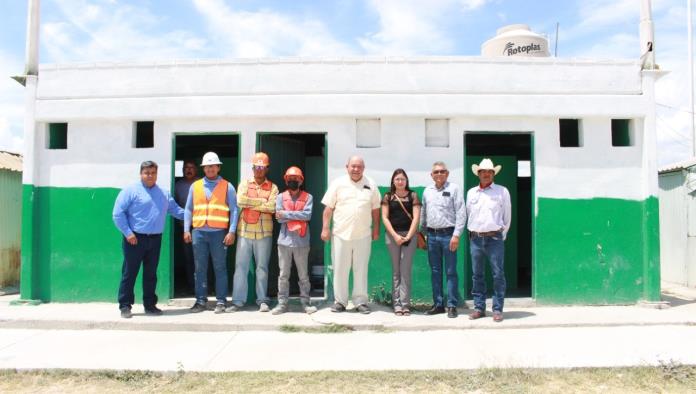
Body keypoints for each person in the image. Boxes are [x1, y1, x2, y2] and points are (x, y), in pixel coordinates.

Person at [113, 161, 184, 319]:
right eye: (147, 173)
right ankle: (125, 305)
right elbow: (117, 213)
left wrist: (195, 216)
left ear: (157, 174)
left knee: (151, 274)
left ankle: (150, 305)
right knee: (129, 272)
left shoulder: (163, 193)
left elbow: (176, 211)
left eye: (153, 172)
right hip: (134, 239)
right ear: (141, 174)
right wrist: (128, 233)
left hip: (155, 239)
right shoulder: (131, 191)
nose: (150, 175)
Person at [321, 156, 381, 314]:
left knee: (360, 269)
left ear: (364, 168)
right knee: (340, 269)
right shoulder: (337, 183)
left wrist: (376, 229)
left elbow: (375, 210)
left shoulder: (371, 184)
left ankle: (360, 302)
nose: (356, 169)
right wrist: (325, 228)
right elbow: (328, 209)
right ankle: (340, 302)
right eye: (353, 166)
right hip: (341, 234)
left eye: (359, 166)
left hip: (363, 235)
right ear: (346, 167)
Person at [184, 152, 238, 314]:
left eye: (213, 166)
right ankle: (200, 301)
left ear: (218, 167)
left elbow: (235, 210)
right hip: (199, 232)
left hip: (219, 234)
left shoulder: (228, 186)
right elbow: (188, 209)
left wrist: (232, 231)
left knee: (219, 268)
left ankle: (221, 301)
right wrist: (187, 229)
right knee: (200, 268)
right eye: (207, 166)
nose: (210, 169)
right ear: (204, 168)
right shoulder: (195, 186)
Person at [229, 152, 279, 313]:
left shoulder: (273, 187)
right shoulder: (244, 184)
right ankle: (237, 301)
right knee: (240, 267)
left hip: (264, 233)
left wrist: (252, 204)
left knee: (262, 268)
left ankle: (262, 300)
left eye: (262, 167)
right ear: (252, 168)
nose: (259, 170)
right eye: (256, 167)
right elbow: (240, 201)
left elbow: (272, 207)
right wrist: (261, 202)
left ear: (267, 169)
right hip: (245, 232)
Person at [466, 158, 511, 323]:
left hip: (494, 239)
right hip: (476, 239)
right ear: (478, 174)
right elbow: (469, 213)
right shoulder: (471, 193)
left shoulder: (502, 191)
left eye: (489, 172)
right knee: (477, 275)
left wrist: (500, 236)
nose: (486, 174)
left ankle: (497, 309)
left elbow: (507, 217)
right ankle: (479, 308)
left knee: (498, 274)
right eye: (483, 172)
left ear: (493, 174)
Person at [420, 161, 466, 318]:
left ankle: (452, 305)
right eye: (436, 172)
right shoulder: (427, 191)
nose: (439, 174)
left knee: (451, 271)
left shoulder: (454, 189)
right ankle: (438, 304)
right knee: (435, 271)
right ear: (431, 175)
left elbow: (461, 212)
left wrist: (456, 235)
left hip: (448, 235)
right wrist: (423, 233)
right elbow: (423, 213)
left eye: (442, 171)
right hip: (431, 236)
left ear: (447, 173)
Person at [271, 166, 317, 315]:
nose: (293, 181)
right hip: (284, 242)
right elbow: (278, 218)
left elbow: (307, 216)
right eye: (290, 179)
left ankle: (306, 302)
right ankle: (282, 303)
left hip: (302, 242)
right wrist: (296, 214)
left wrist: (286, 214)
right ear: (286, 180)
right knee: (283, 274)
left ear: (301, 180)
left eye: (295, 179)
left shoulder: (308, 197)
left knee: (303, 275)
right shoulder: (280, 197)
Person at [381, 169, 421, 316]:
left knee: (405, 270)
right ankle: (396, 304)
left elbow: (416, 218)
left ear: (406, 181)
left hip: (409, 236)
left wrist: (409, 236)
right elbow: (385, 218)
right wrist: (395, 236)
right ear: (393, 181)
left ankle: (405, 304)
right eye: (397, 179)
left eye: (402, 179)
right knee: (396, 271)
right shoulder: (388, 196)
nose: (400, 181)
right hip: (392, 237)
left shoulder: (413, 195)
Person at [174, 159, 199, 293]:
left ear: (196, 169)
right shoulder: (178, 185)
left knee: (203, 258)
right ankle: (192, 287)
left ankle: (207, 287)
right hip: (186, 227)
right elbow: (175, 205)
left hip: (202, 226)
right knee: (189, 257)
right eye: (186, 167)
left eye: (191, 167)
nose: (188, 170)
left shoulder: (201, 183)